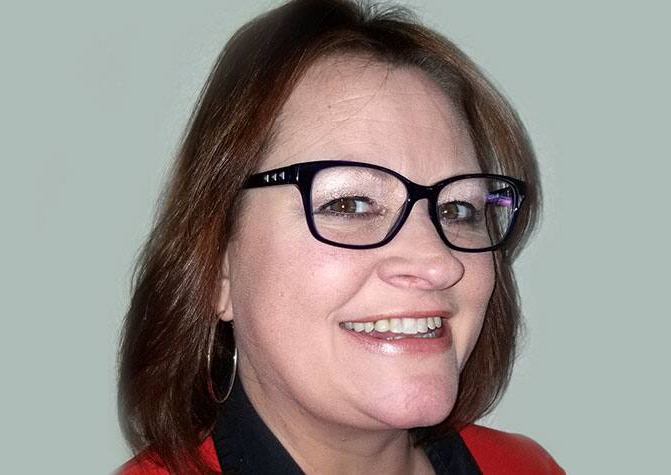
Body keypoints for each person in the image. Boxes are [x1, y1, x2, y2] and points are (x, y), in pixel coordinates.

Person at [118, 0, 564, 473]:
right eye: (350, 204)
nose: (439, 262)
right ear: (218, 271)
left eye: (458, 209)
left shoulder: (525, 467)